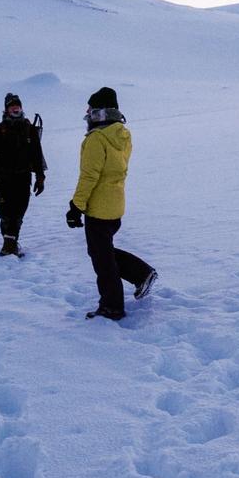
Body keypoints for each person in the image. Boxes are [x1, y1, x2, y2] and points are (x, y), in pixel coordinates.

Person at [66, 87, 157, 321]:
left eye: (91, 109)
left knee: (102, 259)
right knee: (101, 251)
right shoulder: (122, 135)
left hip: (97, 207)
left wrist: (76, 206)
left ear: (101, 111)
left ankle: (112, 306)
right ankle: (141, 274)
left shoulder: (97, 139)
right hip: (115, 205)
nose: (87, 113)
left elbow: (89, 176)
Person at [0, 93, 47, 256]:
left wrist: (40, 178)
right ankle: (9, 245)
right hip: (3, 178)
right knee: (5, 213)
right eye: (12, 106)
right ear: (6, 109)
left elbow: (37, 154)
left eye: (17, 106)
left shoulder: (29, 130)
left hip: (23, 177)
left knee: (19, 211)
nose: (15, 108)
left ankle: (10, 243)